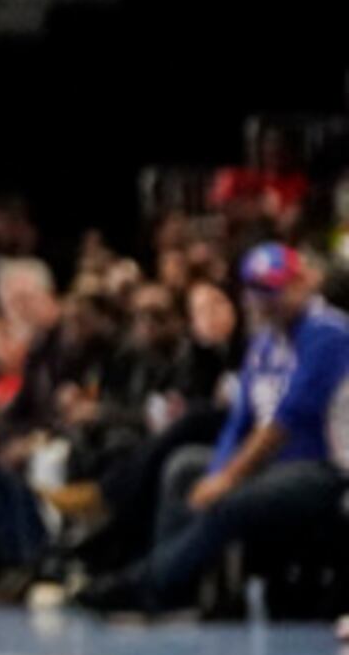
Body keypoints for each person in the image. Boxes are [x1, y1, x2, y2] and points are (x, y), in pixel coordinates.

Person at [80, 243, 349, 615]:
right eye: (260, 292)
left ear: (301, 282)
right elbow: (241, 418)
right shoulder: (265, 342)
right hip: (269, 464)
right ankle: (181, 588)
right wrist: (220, 466)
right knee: (183, 466)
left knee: (230, 499)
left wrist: (226, 478)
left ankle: (148, 585)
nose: (269, 300)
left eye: (278, 289)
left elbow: (286, 420)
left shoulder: (329, 334)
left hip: (321, 465)